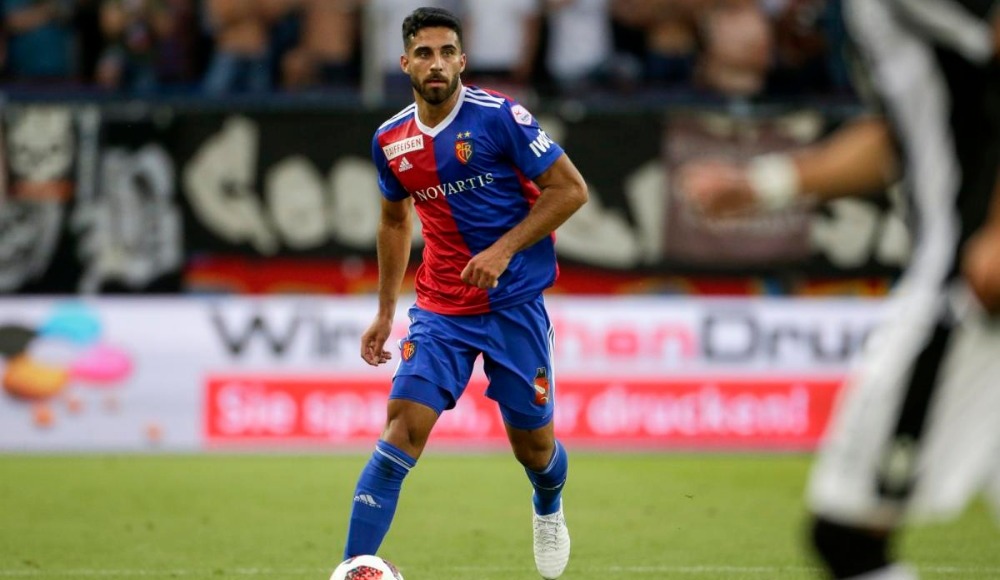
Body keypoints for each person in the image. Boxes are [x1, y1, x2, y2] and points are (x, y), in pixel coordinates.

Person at [679, 1, 1000, 578]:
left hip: (966, 293)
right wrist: (767, 185)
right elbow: (909, 130)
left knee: (848, 534)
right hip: (962, 280)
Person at [342, 6, 588, 580]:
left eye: (447, 52)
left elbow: (570, 190)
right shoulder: (390, 139)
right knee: (402, 427)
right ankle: (355, 565)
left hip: (513, 307)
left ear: (462, 60)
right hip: (440, 310)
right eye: (424, 53)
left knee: (535, 451)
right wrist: (384, 311)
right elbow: (394, 222)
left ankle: (548, 503)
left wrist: (503, 250)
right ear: (405, 63)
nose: (436, 63)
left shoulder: (500, 117)